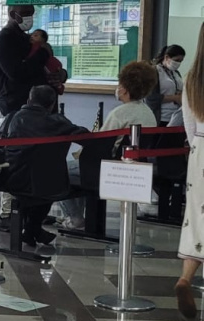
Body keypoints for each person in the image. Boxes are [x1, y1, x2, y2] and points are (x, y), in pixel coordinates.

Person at [58, 61, 158, 230]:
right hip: (132, 166)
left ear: (125, 88)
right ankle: (78, 218)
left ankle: (75, 217)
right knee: (75, 172)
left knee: (58, 169)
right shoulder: (147, 112)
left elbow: (98, 143)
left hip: (108, 166)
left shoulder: (120, 113)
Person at [2, 85, 88, 246]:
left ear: (29, 100)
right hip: (49, 183)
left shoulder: (12, 118)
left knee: (33, 193)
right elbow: (85, 136)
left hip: (14, 178)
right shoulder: (58, 122)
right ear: (52, 104)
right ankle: (32, 230)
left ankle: (31, 231)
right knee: (44, 191)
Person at [0, 5, 51, 232]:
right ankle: (7, 213)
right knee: (14, 158)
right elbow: (16, 73)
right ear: (13, 14)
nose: (29, 19)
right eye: (26, 14)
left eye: (32, 15)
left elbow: (35, 68)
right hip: (14, 107)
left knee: (34, 159)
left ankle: (30, 211)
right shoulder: (5, 39)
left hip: (34, 106)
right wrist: (42, 55)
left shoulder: (25, 38)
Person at [175, 23, 204, 319]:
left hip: (200, 150)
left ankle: (185, 279)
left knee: (196, 214)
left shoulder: (193, 78)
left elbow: (189, 126)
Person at [145, 45, 186, 126]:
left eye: (181, 61)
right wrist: (175, 98)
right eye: (176, 60)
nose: (178, 63)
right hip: (160, 118)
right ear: (166, 57)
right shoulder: (154, 71)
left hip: (176, 117)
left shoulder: (176, 73)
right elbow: (150, 98)